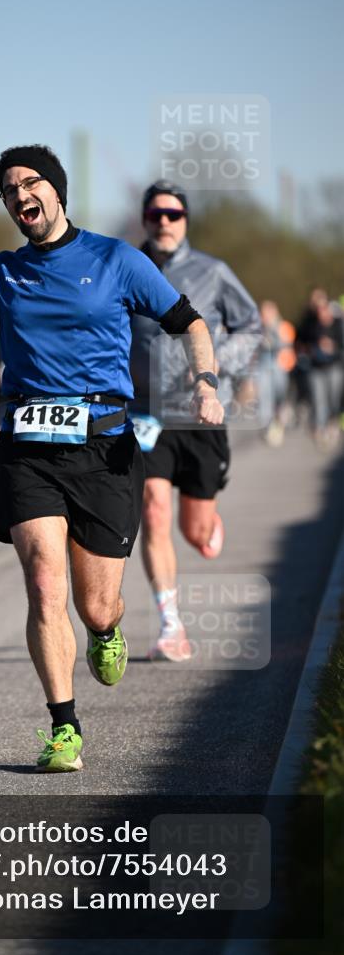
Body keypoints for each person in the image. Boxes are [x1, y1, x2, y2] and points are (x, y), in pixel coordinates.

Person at [0, 146, 224, 772]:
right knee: (45, 583)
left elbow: (191, 323)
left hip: (104, 449)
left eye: (30, 182)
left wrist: (205, 385)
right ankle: (64, 726)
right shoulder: (3, 272)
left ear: (57, 190)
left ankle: (106, 630)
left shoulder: (115, 259)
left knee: (95, 605)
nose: (20, 194)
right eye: (8, 189)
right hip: (27, 450)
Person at [130, 179, 262, 662]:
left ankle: (206, 525)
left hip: (200, 414)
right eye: (155, 215)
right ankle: (171, 625)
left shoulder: (214, 272)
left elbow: (252, 327)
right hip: (145, 414)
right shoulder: (126, 269)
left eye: (173, 214)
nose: (164, 222)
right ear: (144, 220)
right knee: (153, 510)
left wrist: (215, 363)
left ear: (185, 220)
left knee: (195, 531)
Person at [295, 286, 343, 450]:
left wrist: (333, 347)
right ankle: (321, 429)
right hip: (315, 367)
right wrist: (312, 348)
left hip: (334, 366)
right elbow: (299, 343)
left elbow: (341, 344)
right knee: (318, 398)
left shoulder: (337, 322)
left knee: (333, 397)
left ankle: (332, 422)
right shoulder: (309, 322)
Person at [257, 300, 295, 447]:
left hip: (280, 366)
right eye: (263, 313)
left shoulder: (283, 326)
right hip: (263, 366)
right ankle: (269, 426)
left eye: (268, 312)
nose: (265, 316)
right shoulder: (259, 327)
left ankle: (280, 417)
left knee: (280, 396)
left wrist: (271, 330)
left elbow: (286, 344)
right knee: (265, 396)